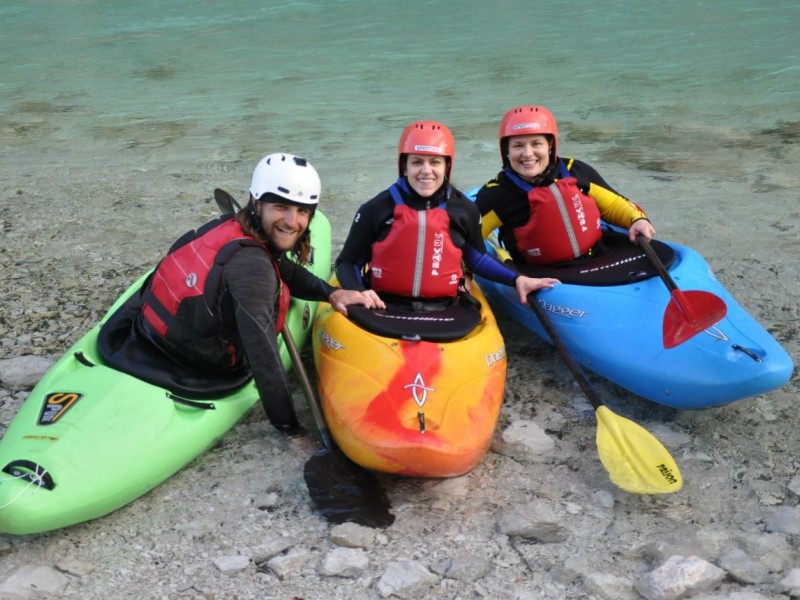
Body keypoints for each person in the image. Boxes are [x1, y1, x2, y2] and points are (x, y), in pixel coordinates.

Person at [136, 153, 382, 434]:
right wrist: (291, 430)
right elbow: (264, 359)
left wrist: (331, 293)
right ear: (257, 203)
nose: (292, 222)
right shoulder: (253, 269)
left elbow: (280, 265)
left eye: (302, 211)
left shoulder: (234, 226)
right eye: (281, 206)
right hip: (196, 364)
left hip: (150, 331)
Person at [335, 120, 558, 310]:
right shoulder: (376, 209)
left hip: (445, 308)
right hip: (382, 305)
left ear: (447, 166)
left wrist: (517, 279)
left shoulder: (463, 210)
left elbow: (477, 258)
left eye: (435, 162)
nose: (426, 171)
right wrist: (358, 292)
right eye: (416, 162)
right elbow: (348, 262)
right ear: (404, 166)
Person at [475, 105, 656, 266]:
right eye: (518, 146)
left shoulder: (575, 170)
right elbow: (465, 244)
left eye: (536, 143)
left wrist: (637, 219)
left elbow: (614, 205)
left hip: (599, 254)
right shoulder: (497, 195)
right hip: (543, 277)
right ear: (506, 150)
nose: (527, 153)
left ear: (550, 145)